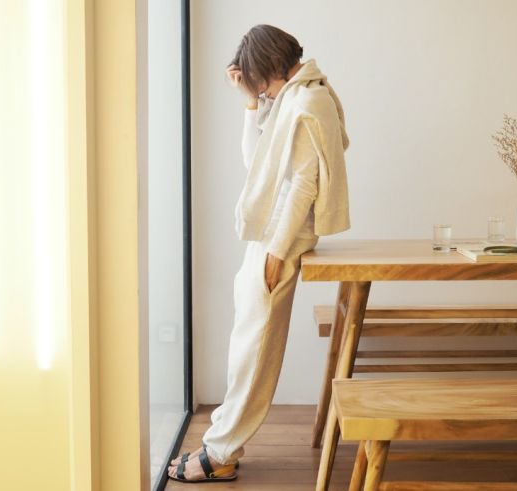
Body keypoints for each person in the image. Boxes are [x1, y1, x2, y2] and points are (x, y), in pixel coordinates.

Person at [169, 24, 350, 483]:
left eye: (260, 82)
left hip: (279, 238)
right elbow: (258, 167)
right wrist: (251, 104)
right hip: (269, 234)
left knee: (256, 349)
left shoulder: (309, 102)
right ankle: (221, 441)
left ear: (272, 66)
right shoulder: (290, 98)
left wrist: (276, 250)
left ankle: (221, 452)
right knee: (246, 344)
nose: (262, 91)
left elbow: (303, 185)